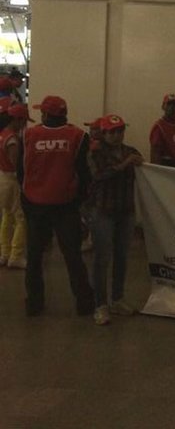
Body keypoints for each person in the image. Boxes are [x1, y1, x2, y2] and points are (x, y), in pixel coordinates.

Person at [21, 95, 95, 316]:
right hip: (66, 206)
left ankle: (34, 304)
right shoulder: (79, 136)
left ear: (45, 114)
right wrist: (77, 202)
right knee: (73, 257)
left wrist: (27, 198)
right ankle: (84, 304)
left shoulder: (29, 135)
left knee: (34, 257)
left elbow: (20, 172)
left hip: (36, 205)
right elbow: (84, 174)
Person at [85, 114, 143, 326]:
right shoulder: (95, 152)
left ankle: (117, 298)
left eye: (120, 131)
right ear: (104, 133)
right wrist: (126, 164)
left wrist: (134, 162)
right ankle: (100, 304)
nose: (117, 135)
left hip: (125, 210)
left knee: (122, 256)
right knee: (102, 258)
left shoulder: (130, 151)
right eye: (113, 132)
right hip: (103, 211)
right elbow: (99, 174)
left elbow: (140, 162)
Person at [0, 99, 31, 268]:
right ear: (17, 120)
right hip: (12, 180)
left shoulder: (2, 134)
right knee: (21, 218)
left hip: (1, 178)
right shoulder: (12, 139)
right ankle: (16, 255)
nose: (24, 125)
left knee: (6, 216)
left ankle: (4, 254)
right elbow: (15, 164)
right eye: (23, 121)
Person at [149, 93, 175, 168]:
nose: (172, 107)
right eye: (169, 104)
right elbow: (155, 155)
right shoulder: (158, 127)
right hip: (166, 165)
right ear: (163, 107)